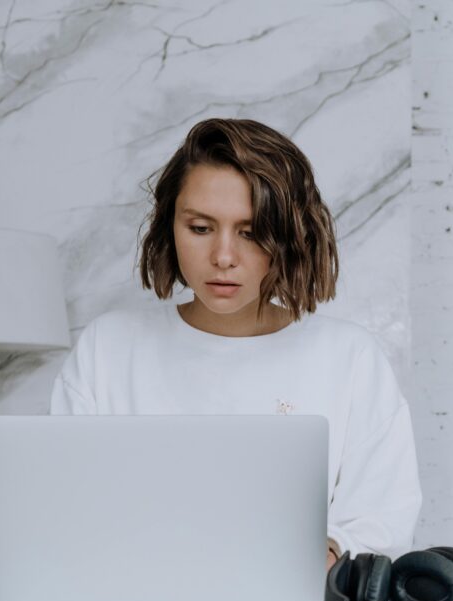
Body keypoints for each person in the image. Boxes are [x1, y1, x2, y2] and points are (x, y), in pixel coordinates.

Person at [50, 118, 421, 569]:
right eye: (201, 228)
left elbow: (383, 518)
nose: (223, 257)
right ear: (171, 227)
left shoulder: (349, 358)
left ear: (288, 236)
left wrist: (325, 551)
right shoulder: (108, 349)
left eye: (249, 232)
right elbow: (64, 507)